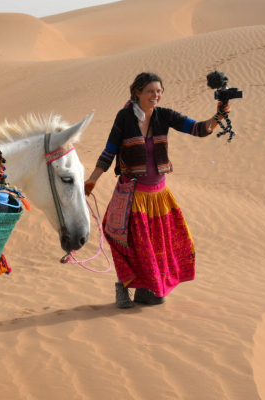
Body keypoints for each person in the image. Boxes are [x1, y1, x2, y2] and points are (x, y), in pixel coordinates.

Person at [84, 72, 231, 308]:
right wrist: (93, 179)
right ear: (138, 93)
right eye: (151, 91)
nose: (156, 95)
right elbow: (109, 151)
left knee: (161, 245)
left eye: (159, 91)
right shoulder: (124, 117)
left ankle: (146, 290)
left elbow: (198, 129)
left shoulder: (164, 115)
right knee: (130, 243)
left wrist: (218, 115)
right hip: (132, 194)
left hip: (159, 195)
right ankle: (122, 287)